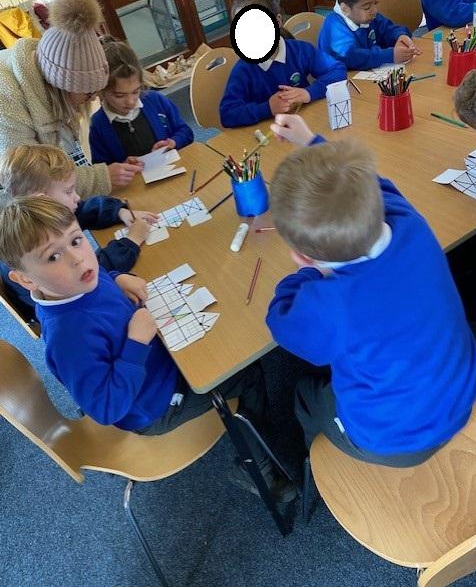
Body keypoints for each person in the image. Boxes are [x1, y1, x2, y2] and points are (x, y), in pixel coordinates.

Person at [0, 195, 296, 502]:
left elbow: (100, 282)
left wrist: (118, 279)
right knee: (248, 373)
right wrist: (137, 343)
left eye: (76, 240)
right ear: (24, 279)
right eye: (52, 257)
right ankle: (259, 470)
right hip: (154, 405)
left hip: (158, 360)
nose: (77, 259)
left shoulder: (77, 279)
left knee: (224, 331)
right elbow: (106, 408)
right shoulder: (68, 338)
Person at [265, 113, 476, 467]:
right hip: (462, 391)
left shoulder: (329, 302)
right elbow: (371, 183)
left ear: (301, 254)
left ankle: (310, 467)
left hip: (397, 440)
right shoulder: (408, 221)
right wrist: (312, 142)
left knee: (304, 391)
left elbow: (280, 320)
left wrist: (305, 275)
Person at [0, 0, 143, 199]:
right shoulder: (7, 100)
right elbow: (28, 180)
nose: (93, 98)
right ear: (62, 86)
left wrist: (104, 173)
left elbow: (63, 157)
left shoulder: (47, 82)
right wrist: (101, 177)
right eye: (88, 93)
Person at [0, 143, 156, 320]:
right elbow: (88, 271)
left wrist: (118, 212)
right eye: (68, 191)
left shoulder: (40, 216)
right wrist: (132, 240)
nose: (77, 197)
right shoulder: (26, 241)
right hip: (76, 312)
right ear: (43, 199)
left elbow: (83, 210)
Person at [220, 0, 346, 128]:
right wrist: (267, 108)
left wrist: (308, 93)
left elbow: (337, 69)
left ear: (277, 21)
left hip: (305, 125)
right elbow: (227, 114)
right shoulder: (243, 69)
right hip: (269, 134)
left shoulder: (299, 50)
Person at [89, 38, 193, 164]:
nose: (130, 102)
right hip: (135, 177)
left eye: (136, 91)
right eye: (119, 95)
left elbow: (186, 132)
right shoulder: (98, 125)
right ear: (102, 91)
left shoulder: (156, 100)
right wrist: (121, 167)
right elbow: (101, 167)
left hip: (171, 169)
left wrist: (173, 142)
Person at [318, 0, 421, 70]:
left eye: (376, 2)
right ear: (345, 9)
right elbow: (351, 56)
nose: (374, 10)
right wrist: (390, 55)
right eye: (367, 7)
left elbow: (389, 28)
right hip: (341, 78)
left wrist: (401, 36)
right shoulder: (334, 27)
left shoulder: (369, 17)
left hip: (368, 75)